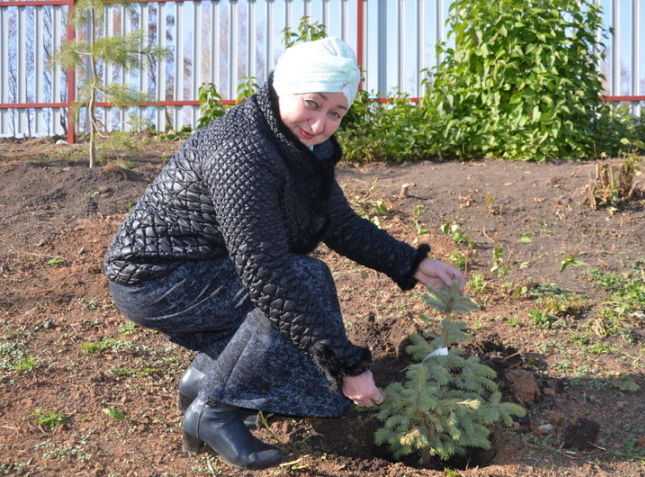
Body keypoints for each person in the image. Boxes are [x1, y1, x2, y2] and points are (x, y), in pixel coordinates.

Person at [104, 37, 465, 471]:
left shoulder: (300, 145)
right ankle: (215, 410)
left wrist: (411, 262)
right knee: (300, 285)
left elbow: (337, 221)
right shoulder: (243, 152)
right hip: (157, 280)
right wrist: (345, 364)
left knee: (302, 283)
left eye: (336, 112)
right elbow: (266, 274)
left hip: (201, 268)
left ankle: (203, 378)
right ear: (282, 88)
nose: (320, 124)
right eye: (312, 103)